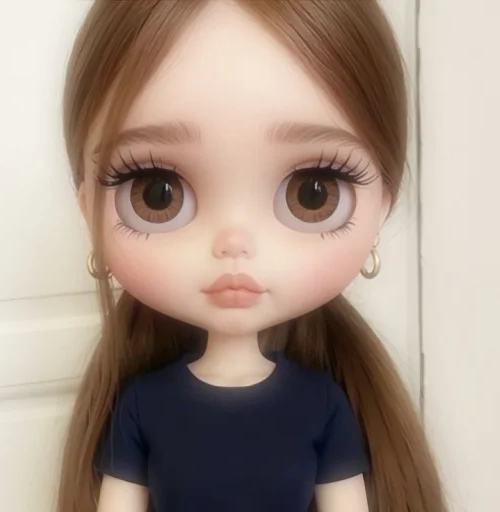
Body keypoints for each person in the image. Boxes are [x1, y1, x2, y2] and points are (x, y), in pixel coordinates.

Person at [58, 1, 446, 511]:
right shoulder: (142, 406)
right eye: (156, 192)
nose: (234, 241)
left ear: (381, 206)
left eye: (313, 191)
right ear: (88, 207)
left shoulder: (323, 405)